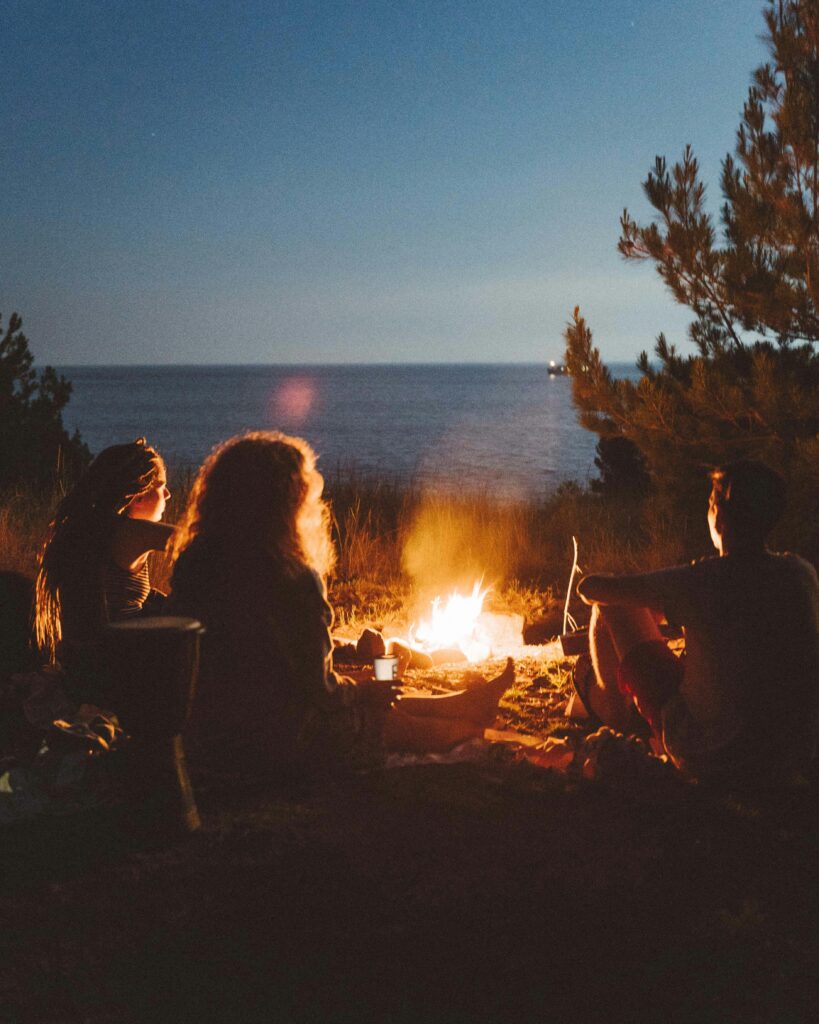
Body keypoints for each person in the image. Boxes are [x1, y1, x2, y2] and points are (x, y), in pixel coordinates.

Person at [166, 431, 513, 775]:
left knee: (374, 696)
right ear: (289, 502)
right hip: (280, 739)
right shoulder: (293, 579)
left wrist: (360, 687)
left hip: (210, 730)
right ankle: (469, 729)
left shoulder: (194, 565)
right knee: (395, 721)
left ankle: (465, 703)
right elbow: (322, 692)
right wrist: (361, 690)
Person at [576, 460, 819, 782]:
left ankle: (616, 719)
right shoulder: (801, 574)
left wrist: (654, 603)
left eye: (709, 504)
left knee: (612, 607)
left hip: (711, 756)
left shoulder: (702, 580)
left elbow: (591, 588)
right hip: (792, 755)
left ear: (718, 514)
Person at [35, 438, 175, 671]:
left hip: (84, 666)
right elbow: (201, 544)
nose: (169, 495)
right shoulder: (131, 532)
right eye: (161, 486)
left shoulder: (86, 531)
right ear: (138, 497)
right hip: (121, 666)